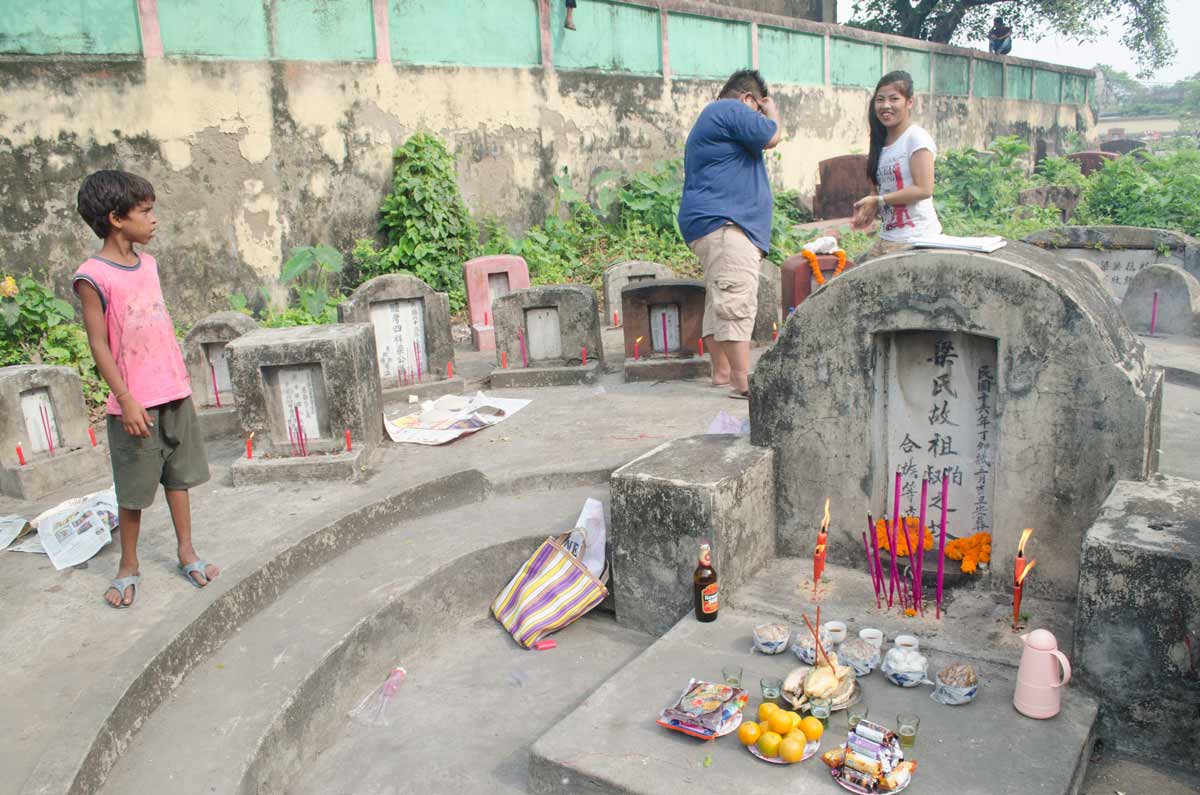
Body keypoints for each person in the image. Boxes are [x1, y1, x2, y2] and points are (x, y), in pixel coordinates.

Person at [72, 170, 218, 608]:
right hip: (133, 404)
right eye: (145, 211)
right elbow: (99, 345)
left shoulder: (148, 264)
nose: (153, 220)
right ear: (116, 218)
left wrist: (176, 382)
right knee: (133, 491)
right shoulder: (92, 276)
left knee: (179, 477)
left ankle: (186, 551)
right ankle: (128, 565)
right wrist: (126, 398)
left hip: (172, 389)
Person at [678, 69, 781, 399]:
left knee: (720, 299)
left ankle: (722, 371)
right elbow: (771, 136)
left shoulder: (715, 118)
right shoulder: (729, 108)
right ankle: (743, 382)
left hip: (714, 224)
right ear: (750, 100)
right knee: (736, 299)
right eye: (757, 109)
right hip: (726, 223)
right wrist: (772, 112)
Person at [851, 71, 941, 260]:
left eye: (894, 99)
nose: (886, 106)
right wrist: (871, 207)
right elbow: (883, 189)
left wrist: (879, 200)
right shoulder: (881, 143)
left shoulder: (916, 138)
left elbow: (924, 189)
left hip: (916, 238)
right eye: (880, 100)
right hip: (888, 237)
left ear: (909, 102)